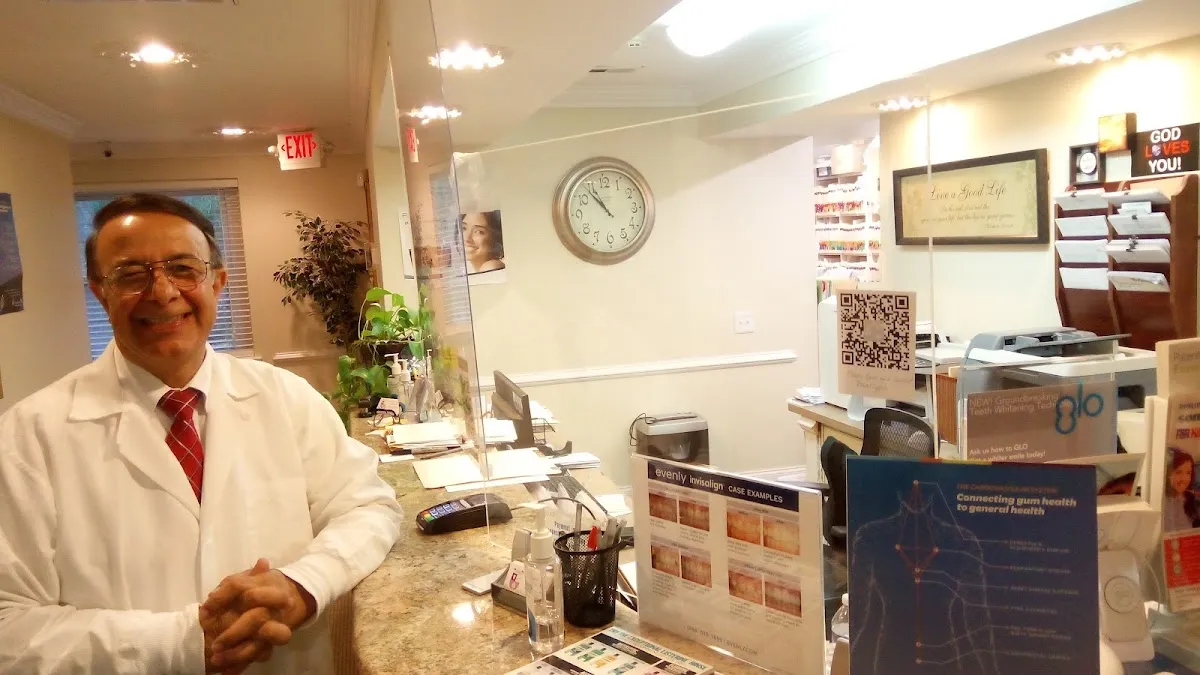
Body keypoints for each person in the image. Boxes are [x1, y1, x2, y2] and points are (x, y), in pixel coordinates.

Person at [0, 193, 403, 674]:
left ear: (218, 281)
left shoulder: (285, 397)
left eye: (183, 269)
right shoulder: (28, 437)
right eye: (131, 274)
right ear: (99, 292)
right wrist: (181, 643)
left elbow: (366, 507)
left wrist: (304, 584)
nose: (162, 292)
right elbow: (9, 624)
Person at [1164, 448, 1200, 533]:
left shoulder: (1192, 500)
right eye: (1178, 472)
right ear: (1167, 474)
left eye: (1188, 473)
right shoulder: (1160, 502)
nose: (1184, 479)